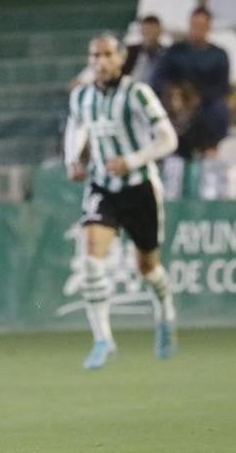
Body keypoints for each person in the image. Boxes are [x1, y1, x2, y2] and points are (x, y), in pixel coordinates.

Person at [64, 34, 179, 369]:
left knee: (147, 268)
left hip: (140, 187)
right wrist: (73, 159)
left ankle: (165, 310)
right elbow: (76, 127)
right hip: (103, 187)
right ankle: (103, 339)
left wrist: (132, 161)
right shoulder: (82, 95)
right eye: (94, 55)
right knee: (90, 259)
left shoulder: (137, 92)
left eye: (107, 54)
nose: (100, 61)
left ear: (120, 57)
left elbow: (168, 139)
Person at [151, 7, 231, 158]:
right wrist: (177, 93)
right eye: (194, 25)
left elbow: (222, 86)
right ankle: (173, 151)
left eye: (201, 26)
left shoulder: (219, 54)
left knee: (218, 109)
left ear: (209, 27)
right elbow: (160, 79)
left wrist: (198, 97)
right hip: (178, 101)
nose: (197, 30)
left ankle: (210, 149)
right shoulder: (174, 51)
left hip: (207, 102)